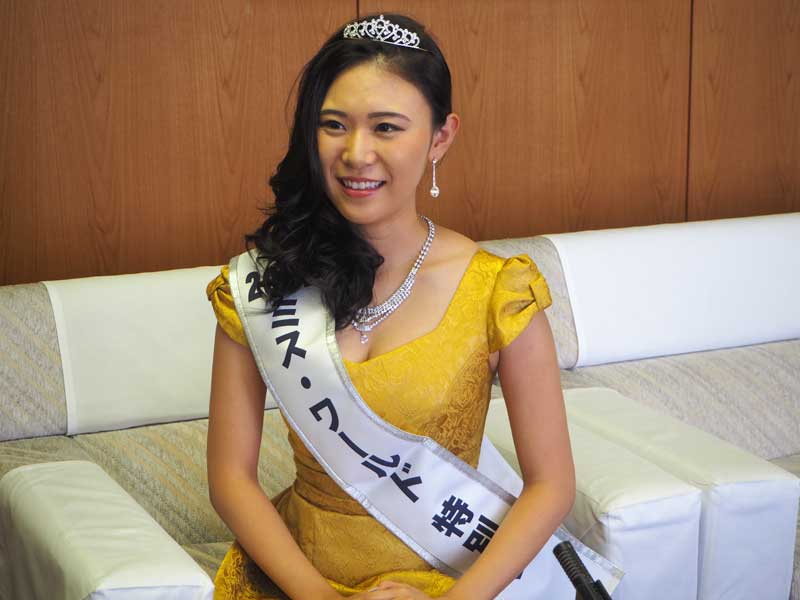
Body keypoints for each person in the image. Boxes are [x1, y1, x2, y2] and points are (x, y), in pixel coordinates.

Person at [206, 13, 574, 600]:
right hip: (295, 579)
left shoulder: (497, 292)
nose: (356, 153)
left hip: (452, 582)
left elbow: (551, 486)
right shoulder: (265, 282)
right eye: (334, 125)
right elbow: (230, 479)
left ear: (440, 138)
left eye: (386, 128)